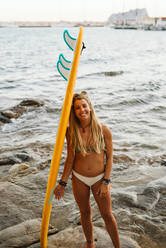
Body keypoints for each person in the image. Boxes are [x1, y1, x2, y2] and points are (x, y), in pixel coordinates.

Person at [54, 91, 120, 248]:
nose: (81, 110)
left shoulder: (103, 130)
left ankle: (118, 246)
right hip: (78, 178)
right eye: (77, 108)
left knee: (107, 214)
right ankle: (90, 243)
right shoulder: (70, 132)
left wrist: (106, 181)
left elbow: (110, 158)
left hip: (99, 178)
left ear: (90, 107)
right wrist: (62, 183)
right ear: (74, 112)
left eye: (84, 106)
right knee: (84, 213)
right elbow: (70, 158)